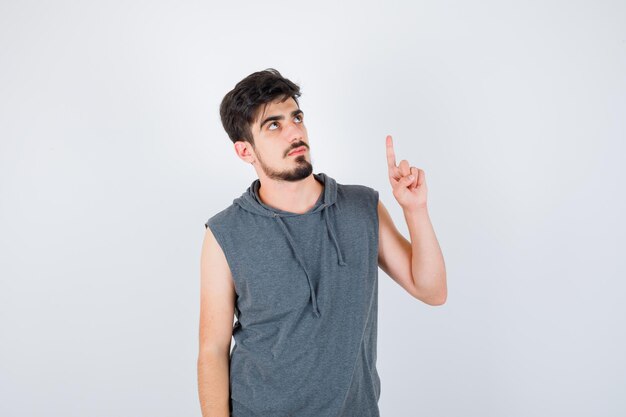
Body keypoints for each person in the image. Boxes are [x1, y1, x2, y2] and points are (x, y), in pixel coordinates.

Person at [197, 68, 447, 417]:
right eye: (274, 125)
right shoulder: (225, 233)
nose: (294, 132)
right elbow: (212, 349)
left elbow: (432, 291)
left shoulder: (362, 208)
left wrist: (415, 211)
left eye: (296, 117)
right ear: (245, 151)